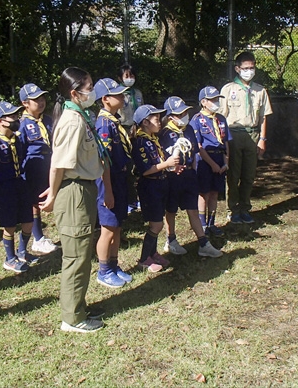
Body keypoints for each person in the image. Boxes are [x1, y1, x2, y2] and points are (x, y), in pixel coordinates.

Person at [39, 67, 109, 333]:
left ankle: (78, 306)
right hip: (74, 192)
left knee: (81, 253)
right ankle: (72, 318)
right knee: (76, 256)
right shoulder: (72, 120)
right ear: (74, 93)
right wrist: (54, 193)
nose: (92, 92)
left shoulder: (80, 116)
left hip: (83, 188)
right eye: (89, 87)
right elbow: (59, 165)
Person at [159, 96, 223, 258]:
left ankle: (203, 243)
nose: (184, 116)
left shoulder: (188, 129)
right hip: (173, 176)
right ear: (171, 116)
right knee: (171, 209)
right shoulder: (165, 133)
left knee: (192, 208)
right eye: (180, 114)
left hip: (188, 174)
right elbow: (162, 156)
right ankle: (171, 239)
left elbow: (194, 151)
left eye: (185, 112)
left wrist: (192, 169)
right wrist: (171, 169)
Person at [0, 101, 38, 274]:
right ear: (0, 121)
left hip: (19, 184)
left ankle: (23, 251)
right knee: (9, 225)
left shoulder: (17, 139)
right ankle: (10, 258)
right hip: (4, 188)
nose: (16, 119)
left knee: (28, 220)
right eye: (12, 116)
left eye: (16, 115)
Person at [220, 52, 273, 224]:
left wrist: (262, 139)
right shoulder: (228, 90)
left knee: (249, 175)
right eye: (245, 68)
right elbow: (221, 117)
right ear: (237, 69)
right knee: (233, 175)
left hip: (253, 134)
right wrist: (223, 142)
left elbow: (264, 116)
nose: (249, 71)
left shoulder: (260, 90)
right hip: (234, 134)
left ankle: (245, 207)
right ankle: (233, 209)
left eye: (252, 67)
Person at [93, 78, 134, 288]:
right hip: (108, 181)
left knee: (117, 226)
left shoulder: (114, 121)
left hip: (119, 179)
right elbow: (103, 162)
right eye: (117, 95)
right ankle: (103, 270)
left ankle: (114, 264)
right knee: (107, 228)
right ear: (105, 99)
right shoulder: (104, 124)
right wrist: (107, 191)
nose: (122, 97)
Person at [131, 105, 180, 272]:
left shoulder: (153, 138)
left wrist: (171, 167)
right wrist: (166, 164)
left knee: (157, 221)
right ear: (145, 122)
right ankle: (144, 258)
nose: (160, 122)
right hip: (150, 186)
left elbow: (160, 162)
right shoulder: (140, 142)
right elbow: (145, 170)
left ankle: (153, 253)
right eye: (156, 119)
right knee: (156, 224)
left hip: (161, 183)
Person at [18, 83, 59, 255]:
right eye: (36, 100)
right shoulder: (22, 124)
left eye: (42, 98)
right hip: (32, 169)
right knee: (35, 203)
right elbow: (20, 150)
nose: (41, 102)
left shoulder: (47, 120)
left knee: (52, 198)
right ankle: (38, 238)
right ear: (25, 103)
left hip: (48, 166)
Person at [191, 87, 232, 238]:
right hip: (205, 160)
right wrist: (212, 165)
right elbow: (198, 146)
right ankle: (202, 225)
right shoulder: (196, 120)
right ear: (203, 102)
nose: (216, 102)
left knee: (215, 193)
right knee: (204, 193)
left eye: (217, 99)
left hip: (219, 159)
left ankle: (212, 223)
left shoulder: (221, 119)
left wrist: (226, 162)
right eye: (213, 99)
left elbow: (226, 141)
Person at [116, 64, 144, 213]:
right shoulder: (119, 94)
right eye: (127, 76)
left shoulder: (137, 93)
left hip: (137, 129)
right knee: (127, 165)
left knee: (138, 164)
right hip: (124, 130)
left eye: (132, 76)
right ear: (120, 78)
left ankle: (137, 198)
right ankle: (129, 199)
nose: (130, 79)